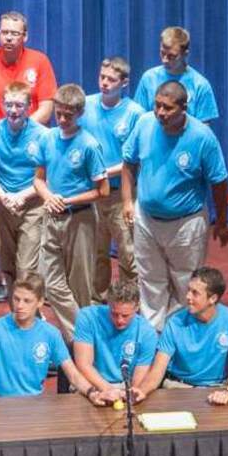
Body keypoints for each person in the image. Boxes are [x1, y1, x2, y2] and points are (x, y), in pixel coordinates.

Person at [121, 81, 228, 330]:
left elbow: (219, 181)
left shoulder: (202, 137)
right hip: (146, 219)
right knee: (150, 282)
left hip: (186, 223)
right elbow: (128, 163)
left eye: (167, 108)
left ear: (184, 108)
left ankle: (180, 340)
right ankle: (153, 341)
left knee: (186, 285)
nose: (160, 112)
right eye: (157, 105)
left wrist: (222, 221)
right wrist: (127, 202)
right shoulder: (144, 123)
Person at [33, 83, 109, 341]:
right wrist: (49, 197)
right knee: (49, 283)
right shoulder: (47, 138)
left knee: (80, 287)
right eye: (59, 114)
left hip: (81, 219)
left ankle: (79, 345)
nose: (63, 120)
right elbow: (39, 179)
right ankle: (85, 338)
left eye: (69, 115)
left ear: (79, 114)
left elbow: (103, 190)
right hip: (52, 216)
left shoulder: (88, 144)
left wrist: (67, 200)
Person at [134, 267, 228, 405]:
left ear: (212, 298)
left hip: (216, 389)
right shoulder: (175, 322)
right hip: (177, 388)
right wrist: (142, 391)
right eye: (188, 290)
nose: (188, 297)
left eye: (195, 293)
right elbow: (157, 373)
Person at [80, 56, 145, 302]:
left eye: (112, 79)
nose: (105, 83)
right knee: (97, 251)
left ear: (125, 82)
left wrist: (105, 172)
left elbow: (134, 158)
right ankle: (98, 299)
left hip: (120, 193)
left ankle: (130, 300)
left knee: (128, 252)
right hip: (93, 193)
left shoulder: (134, 113)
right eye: (102, 77)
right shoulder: (86, 106)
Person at [0, 273, 98, 400]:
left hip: (36, 405)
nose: (19, 306)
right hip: (1, 403)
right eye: (16, 299)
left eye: (27, 301)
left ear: (40, 302)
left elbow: (73, 375)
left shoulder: (51, 334)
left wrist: (91, 393)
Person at [0, 82, 48, 301]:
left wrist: (22, 196)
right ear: (2, 104)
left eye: (19, 105)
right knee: (7, 263)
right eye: (9, 104)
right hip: (2, 203)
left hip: (32, 204)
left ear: (29, 106)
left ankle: (32, 314)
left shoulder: (42, 135)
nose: (13, 110)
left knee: (26, 266)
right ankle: (16, 311)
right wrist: (3, 196)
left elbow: (46, 177)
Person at [72, 281, 158, 405]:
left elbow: (138, 381)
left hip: (125, 388)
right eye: (114, 314)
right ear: (108, 303)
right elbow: (84, 365)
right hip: (91, 384)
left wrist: (126, 394)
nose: (119, 320)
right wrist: (109, 390)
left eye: (125, 315)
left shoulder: (148, 333)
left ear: (137, 307)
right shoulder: (87, 317)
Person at [0, 11, 57, 124]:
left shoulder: (40, 61)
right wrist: (2, 134)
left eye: (14, 33)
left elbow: (46, 109)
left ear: (25, 37)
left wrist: (24, 130)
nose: (9, 38)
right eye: (5, 33)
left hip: (33, 135)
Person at [132, 26, 218, 123]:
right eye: (162, 53)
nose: (165, 60)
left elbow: (204, 127)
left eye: (171, 56)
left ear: (185, 54)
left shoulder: (200, 85)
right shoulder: (148, 78)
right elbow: (138, 120)